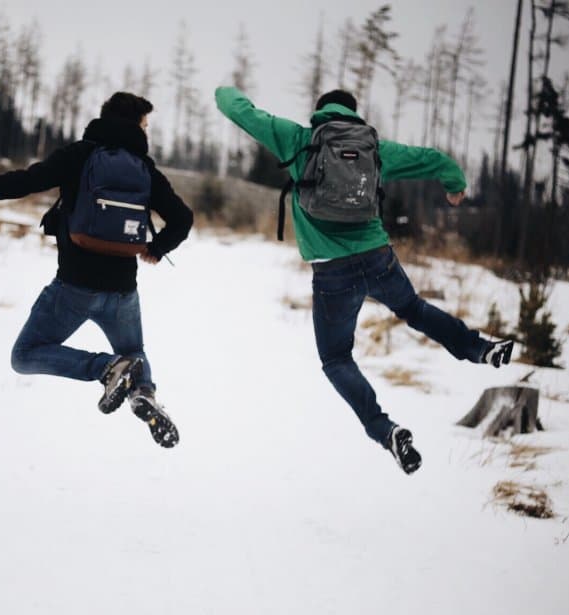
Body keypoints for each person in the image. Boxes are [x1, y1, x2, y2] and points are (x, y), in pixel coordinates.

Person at [215, 86, 514, 474]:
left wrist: (224, 88)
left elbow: (234, 107)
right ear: (353, 115)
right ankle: (480, 350)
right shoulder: (375, 149)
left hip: (331, 272)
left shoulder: (299, 139)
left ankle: (385, 430)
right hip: (378, 257)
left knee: (336, 358)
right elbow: (432, 159)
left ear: (319, 113)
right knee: (414, 308)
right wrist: (454, 183)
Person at [0, 92, 193, 448]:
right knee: (135, 353)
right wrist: (157, 248)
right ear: (132, 124)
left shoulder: (79, 155)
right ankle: (142, 391)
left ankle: (104, 369)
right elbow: (183, 218)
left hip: (74, 288)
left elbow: (22, 182)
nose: (146, 132)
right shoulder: (144, 168)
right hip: (122, 292)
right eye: (145, 125)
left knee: (25, 355)